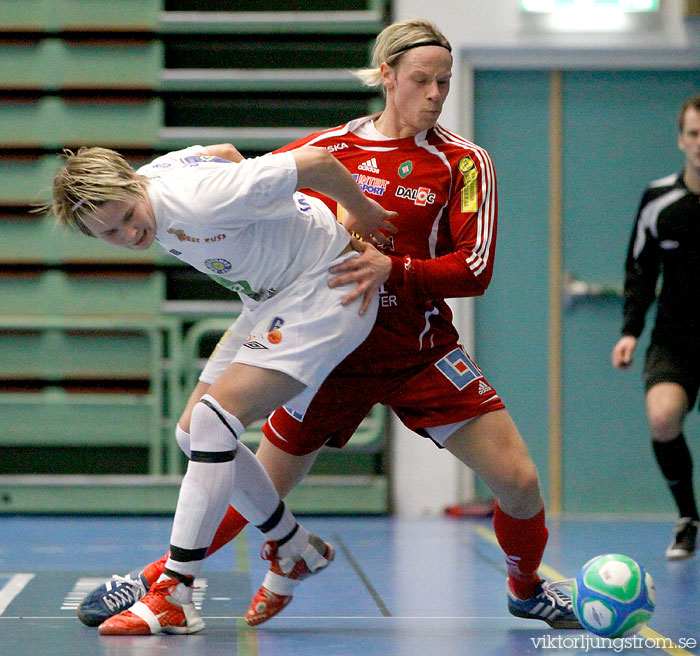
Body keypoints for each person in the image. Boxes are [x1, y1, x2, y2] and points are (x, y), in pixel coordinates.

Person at [79, 18, 582, 631]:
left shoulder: (463, 163)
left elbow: (473, 269)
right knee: (246, 475)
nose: (434, 94)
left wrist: (392, 269)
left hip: (416, 348)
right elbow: (249, 175)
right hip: (325, 346)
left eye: (444, 83)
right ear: (387, 77)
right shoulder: (333, 147)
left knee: (521, 482)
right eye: (421, 80)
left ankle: (526, 587)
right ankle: (168, 576)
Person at [49, 142, 396, 635]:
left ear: (134, 185)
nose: (129, 234)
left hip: (328, 287)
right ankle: (292, 546)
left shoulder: (200, 199)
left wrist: (364, 213)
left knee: (215, 421)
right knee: (194, 433)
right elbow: (226, 151)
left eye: (129, 216)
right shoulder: (156, 179)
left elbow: (317, 163)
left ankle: (174, 591)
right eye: (109, 233)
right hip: (270, 298)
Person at [611, 94, 700, 560]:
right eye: (694, 133)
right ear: (681, 139)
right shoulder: (658, 200)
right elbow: (640, 270)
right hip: (675, 339)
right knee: (663, 416)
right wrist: (630, 330)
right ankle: (688, 517)